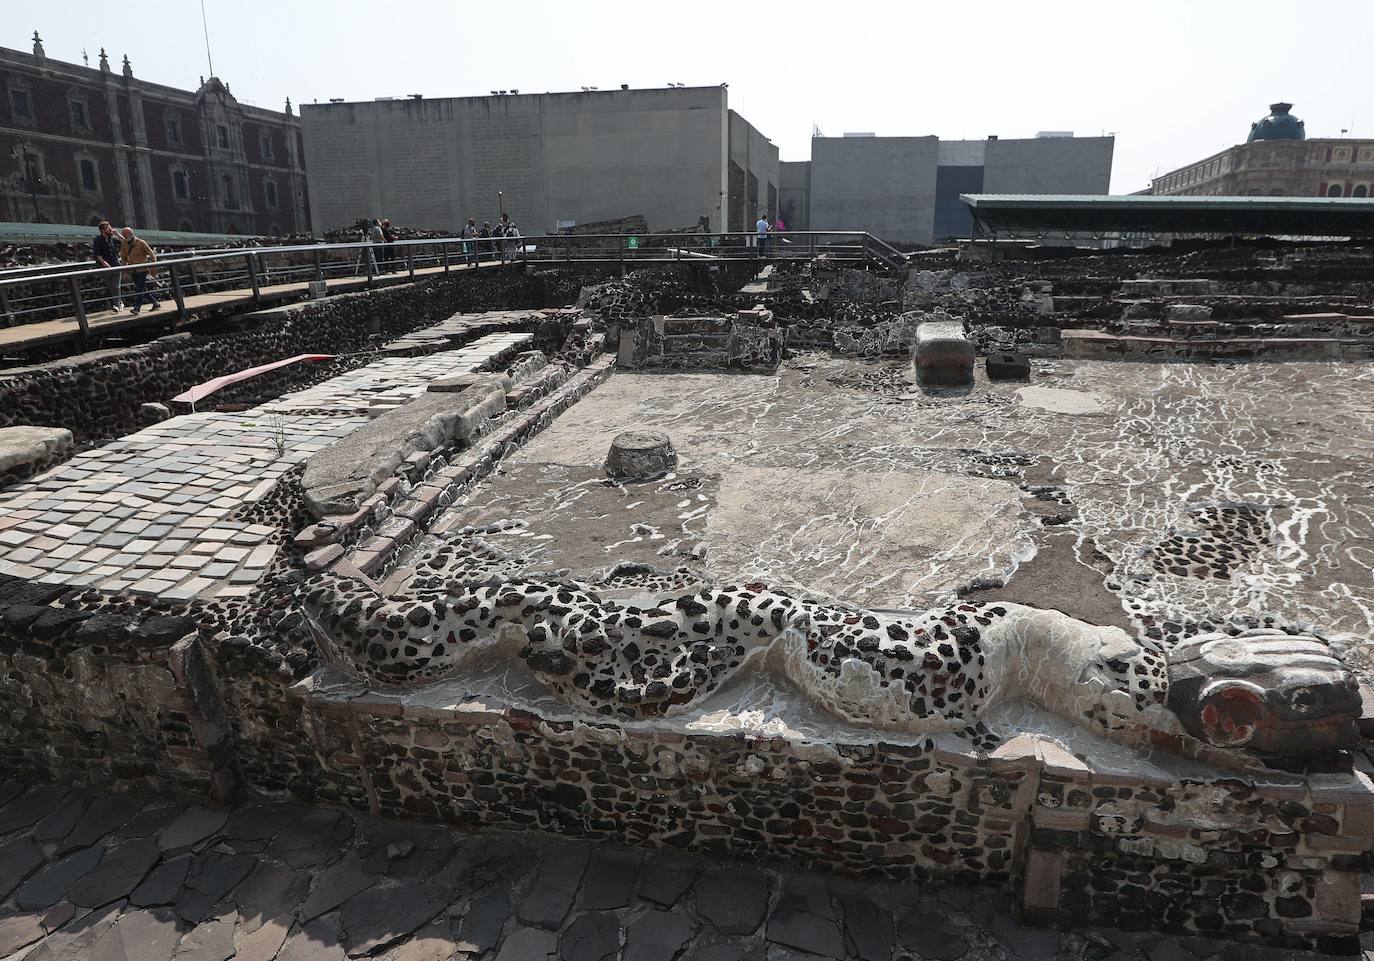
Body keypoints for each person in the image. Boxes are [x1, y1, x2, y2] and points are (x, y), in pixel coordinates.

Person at [118, 226, 160, 315]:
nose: (125, 237)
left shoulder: (141, 243)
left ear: (131, 234)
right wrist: (124, 270)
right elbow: (123, 257)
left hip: (142, 269)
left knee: (139, 288)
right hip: (132, 270)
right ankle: (155, 303)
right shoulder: (124, 244)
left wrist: (154, 267)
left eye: (126, 235)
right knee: (141, 288)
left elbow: (151, 254)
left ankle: (137, 307)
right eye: (123, 235)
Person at [92, 220, 124, 312]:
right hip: (104, 267)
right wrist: (103, 262)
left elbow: (125, 242)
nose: (110, 229)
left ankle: (117, 305)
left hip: (116, 264)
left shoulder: (113, 239)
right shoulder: (97, 240)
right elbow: (97, 253)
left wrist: (117, 234)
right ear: (103, 230)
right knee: (110, 286)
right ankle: (118, 302)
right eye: (108, 228)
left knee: (116, 286)